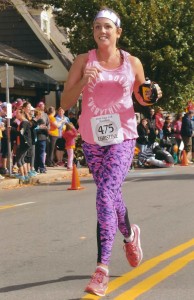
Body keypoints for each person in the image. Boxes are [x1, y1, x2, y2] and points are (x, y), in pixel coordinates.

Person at [61, 7, 162, 297]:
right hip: (92, 139)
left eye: (107, 27)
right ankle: (130, 236)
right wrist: (83, 81)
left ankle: (101, 270)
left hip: (123, 136)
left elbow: (144, 97)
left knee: (104, 194)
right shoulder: (83, 60)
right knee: (112, 194)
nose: (101, 32)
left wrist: (153, 92)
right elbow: (66, 102)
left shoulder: (131, 62)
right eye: (97, 27)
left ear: (118, 32)